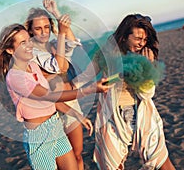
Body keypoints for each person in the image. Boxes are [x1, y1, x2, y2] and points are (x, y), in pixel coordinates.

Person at [0, 23, 111, 170]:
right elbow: (49, 96)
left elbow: (51, 102)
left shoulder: (34, 67)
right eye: (23, 43)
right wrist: (90, 89)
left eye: (29, 40)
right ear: (10, 50)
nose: (29, 45)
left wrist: (76, 115)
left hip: (55, 127)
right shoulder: (15, 77)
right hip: (39, 137)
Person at [73, 14, 175, 169]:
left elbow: (147, 95)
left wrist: (147, 67)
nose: (142, 43)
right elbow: (86, 76)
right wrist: (65, 88)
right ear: (124, 36)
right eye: (137, 39)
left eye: (145, 40)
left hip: (142, 115)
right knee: (113, 166)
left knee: (162, 163)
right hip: (113, 118)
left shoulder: (145, 55)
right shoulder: (105, 54)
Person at [24, 0, 87, 170]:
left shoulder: (54, 45)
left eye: (46, 27)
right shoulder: (32, 54)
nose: (43, 32)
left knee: (77, 154)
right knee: (63, 162)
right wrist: (62, 31)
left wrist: (57, 15)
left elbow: (74, 45)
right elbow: (58, 66)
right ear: (29, 30)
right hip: (53, 110)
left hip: (71, 102)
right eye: (38, 28)